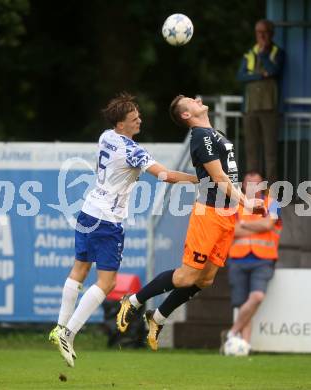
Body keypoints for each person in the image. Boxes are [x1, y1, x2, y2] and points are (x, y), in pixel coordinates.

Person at [49, 92, 199, 367]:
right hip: (107, 221)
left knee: (79, 270)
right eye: (134, 118)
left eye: (138, 115)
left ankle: (60, 327)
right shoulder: (134, 151)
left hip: (88, 211)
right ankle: (69, 333)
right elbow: (166, 176)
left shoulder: (106, 136)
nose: (139, 120)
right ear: (121, 124)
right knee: (108, 283)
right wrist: (199, 177)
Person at [116, 95, 265, 351]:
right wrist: (246, 203)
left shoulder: (213, 132)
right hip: (209, 214)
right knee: (186, 276)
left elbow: (218, 175)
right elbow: (218, 177)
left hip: (226, 214)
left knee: (205, 280)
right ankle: (134, 301)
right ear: (186, 115)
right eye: (191, 101)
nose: (197, 99)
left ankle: (157, 317)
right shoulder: (200, 136)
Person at [222, 171, 282, 354]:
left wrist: (244, 226)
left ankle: (232, 332)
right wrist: (258, 227)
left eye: (257, 184)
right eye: (249, 183)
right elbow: (232, 230)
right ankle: (245, 346)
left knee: (256, 297)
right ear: (244, 185)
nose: (253, 187)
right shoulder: (234, 204)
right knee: (242, 304)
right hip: (238, 258)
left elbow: (268, 225)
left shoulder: (272, 203)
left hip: (263, 259)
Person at [238, 19, 285, 185]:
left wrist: (264, 54)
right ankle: (253, 191)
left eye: (264, 32)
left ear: (271, 34)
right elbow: (241, 76)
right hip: (250, 108)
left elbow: (274, 70)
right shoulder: (250, 52)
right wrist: (261, 75)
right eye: (258, 32)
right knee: (251, 151)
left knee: (270, 153)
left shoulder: (277, 52)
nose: (261, 35)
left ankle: (271, 193)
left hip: (269, 108)